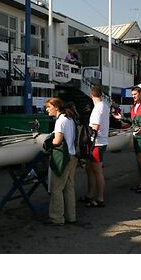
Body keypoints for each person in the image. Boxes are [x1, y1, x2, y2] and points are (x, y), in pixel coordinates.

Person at [113, 86, 141, 193]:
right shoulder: (135, 106)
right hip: (137, 133)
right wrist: (121, 117)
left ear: (140, 93)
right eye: (132, 95)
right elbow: (132, 121)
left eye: (135, 94)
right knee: (139, 160)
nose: (133, 97)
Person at [43, 97, 77, 226]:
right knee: (69, 187)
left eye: (48, 107)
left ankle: (56, 218)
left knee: (56, 189)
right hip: (72, 156)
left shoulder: (60, 121)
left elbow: (57, 141)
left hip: (63, 158)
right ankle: (71, 216)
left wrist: (47, 142)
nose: (47, 109)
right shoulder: (70, 119)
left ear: (56, 107)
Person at [83, 86, 109, 207]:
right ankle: (90, 194)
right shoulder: (104, 105)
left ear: (91, 95)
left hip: (96, 143)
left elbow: (95, 127)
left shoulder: (98, 108)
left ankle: (100, 198)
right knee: (91, 170)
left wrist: (87, 137)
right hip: (100, 142)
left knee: (97, 171)